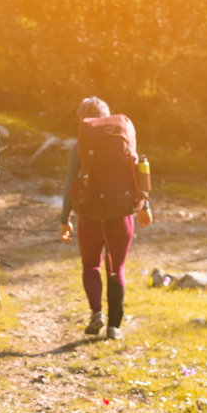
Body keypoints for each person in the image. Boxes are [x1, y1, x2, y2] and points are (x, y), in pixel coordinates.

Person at [60, 97, 153, 340]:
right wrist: (145, 205)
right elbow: (138, 172)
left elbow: (70, 183)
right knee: (116, 269)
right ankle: (114, 327)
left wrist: (64, 218)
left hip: (90, 215)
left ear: (83, 120)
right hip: (121, 215)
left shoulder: (79, 145)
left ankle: (97, 313)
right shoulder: (124, 137)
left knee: (91, 265)